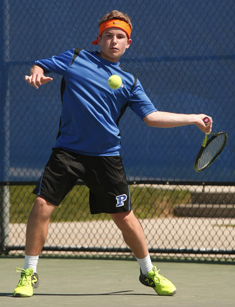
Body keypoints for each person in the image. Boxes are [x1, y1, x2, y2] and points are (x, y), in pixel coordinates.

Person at [13, 10, 212, 297]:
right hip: (67, 152)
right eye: (109, 36)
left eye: (120, 37)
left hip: (106, 157)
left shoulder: (130, 82)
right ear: (100, 39)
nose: (114, 41)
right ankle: (29, 273)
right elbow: (40, 65)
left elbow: (151, 116)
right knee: (42, 205)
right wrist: (36, 73)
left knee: (124, 217)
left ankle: (148, 272)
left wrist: (193, 117)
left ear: (128, 43)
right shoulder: (76, 57)